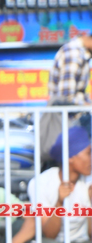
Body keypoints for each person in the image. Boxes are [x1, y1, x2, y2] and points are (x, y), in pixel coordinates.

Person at [26, 126, 92, 243]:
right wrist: (59, 202)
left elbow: (91, 234)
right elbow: (49, 234)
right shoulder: (41, 182)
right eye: (88, 153)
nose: (91, 159)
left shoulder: (88, 182)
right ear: (71, 157)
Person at [39, 34, 92, 162]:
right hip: (66, 120)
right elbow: (66, 96)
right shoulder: (73, 53)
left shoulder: (81, 53)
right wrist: (88, 106)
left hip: (70, 121)